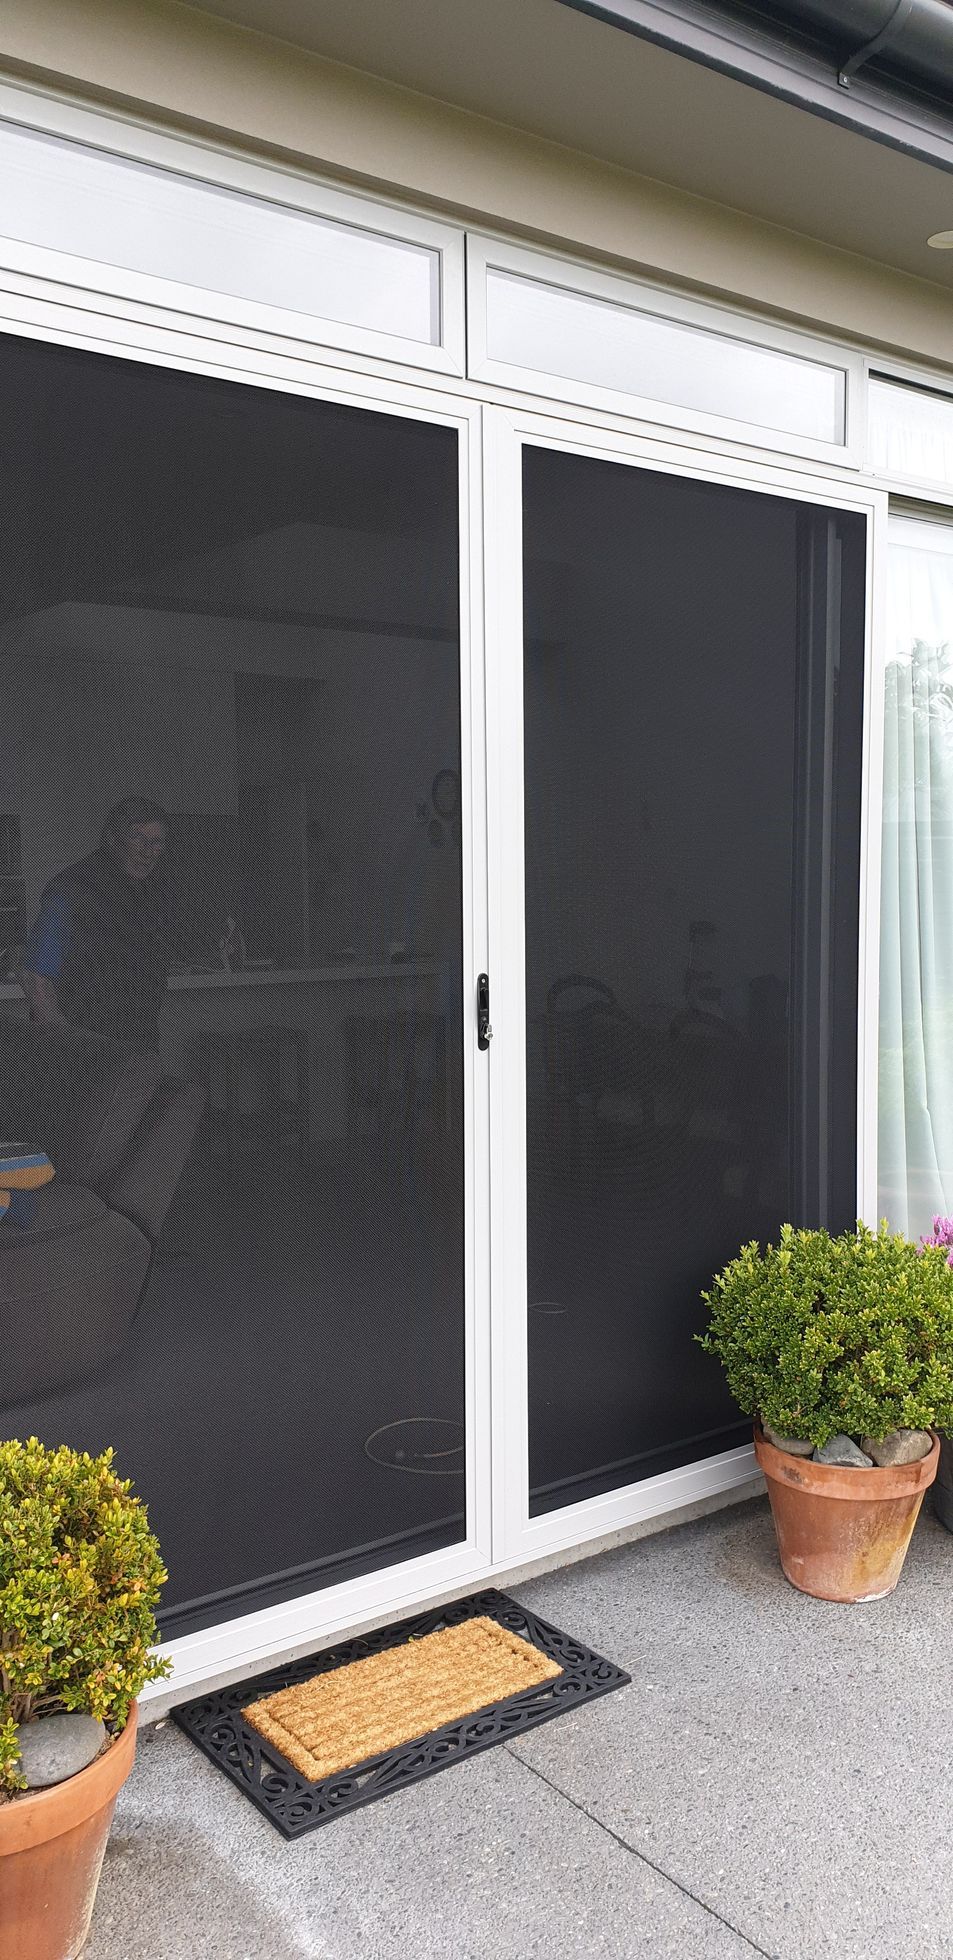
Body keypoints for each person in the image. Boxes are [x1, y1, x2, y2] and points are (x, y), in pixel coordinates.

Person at [21, 797, 172, 1047]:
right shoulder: (72, 889)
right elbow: (35, 978)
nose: (147, 852)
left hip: (139, 1044)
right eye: (137, 838)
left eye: (157, 843)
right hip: (83, 1050)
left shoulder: (149, 893)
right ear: (112, 839)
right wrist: (67, 1047)